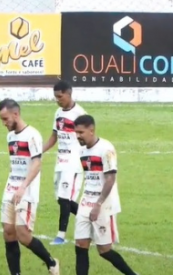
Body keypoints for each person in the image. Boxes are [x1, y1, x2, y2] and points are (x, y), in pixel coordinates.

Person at [0, 99, 60, 275]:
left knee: (23, 235)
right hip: (10, 188)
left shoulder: (32, 135)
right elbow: (14, 163)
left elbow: (37, 164)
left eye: (5, 118)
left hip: (27, 191)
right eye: (1, 119)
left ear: (16, 114)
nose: (4, 123)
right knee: (8, 232)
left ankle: (52, 262)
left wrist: (23, 187)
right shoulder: (10, 136)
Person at [73, 115, 138, 275]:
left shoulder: (106, 149)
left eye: (81, 132)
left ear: (91, 130)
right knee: (80, 245)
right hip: (85, 201)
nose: (78, 136)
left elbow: (110, 179)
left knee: (104, 250)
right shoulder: (82, 150)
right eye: (76, 132)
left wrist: (98, 204)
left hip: (103, 205)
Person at [42, 80, 86, 245]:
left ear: (69, 94)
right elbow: (54, 137)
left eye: (60, 97)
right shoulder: (58, 113)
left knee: (65, 198)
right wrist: (37, 152)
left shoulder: (80, 115)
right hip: (60, 161)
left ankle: (61, 236)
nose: (57, 100)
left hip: (74, 162)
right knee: (62, 200)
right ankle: (93, 219)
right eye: (55, 97)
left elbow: (87, 139)